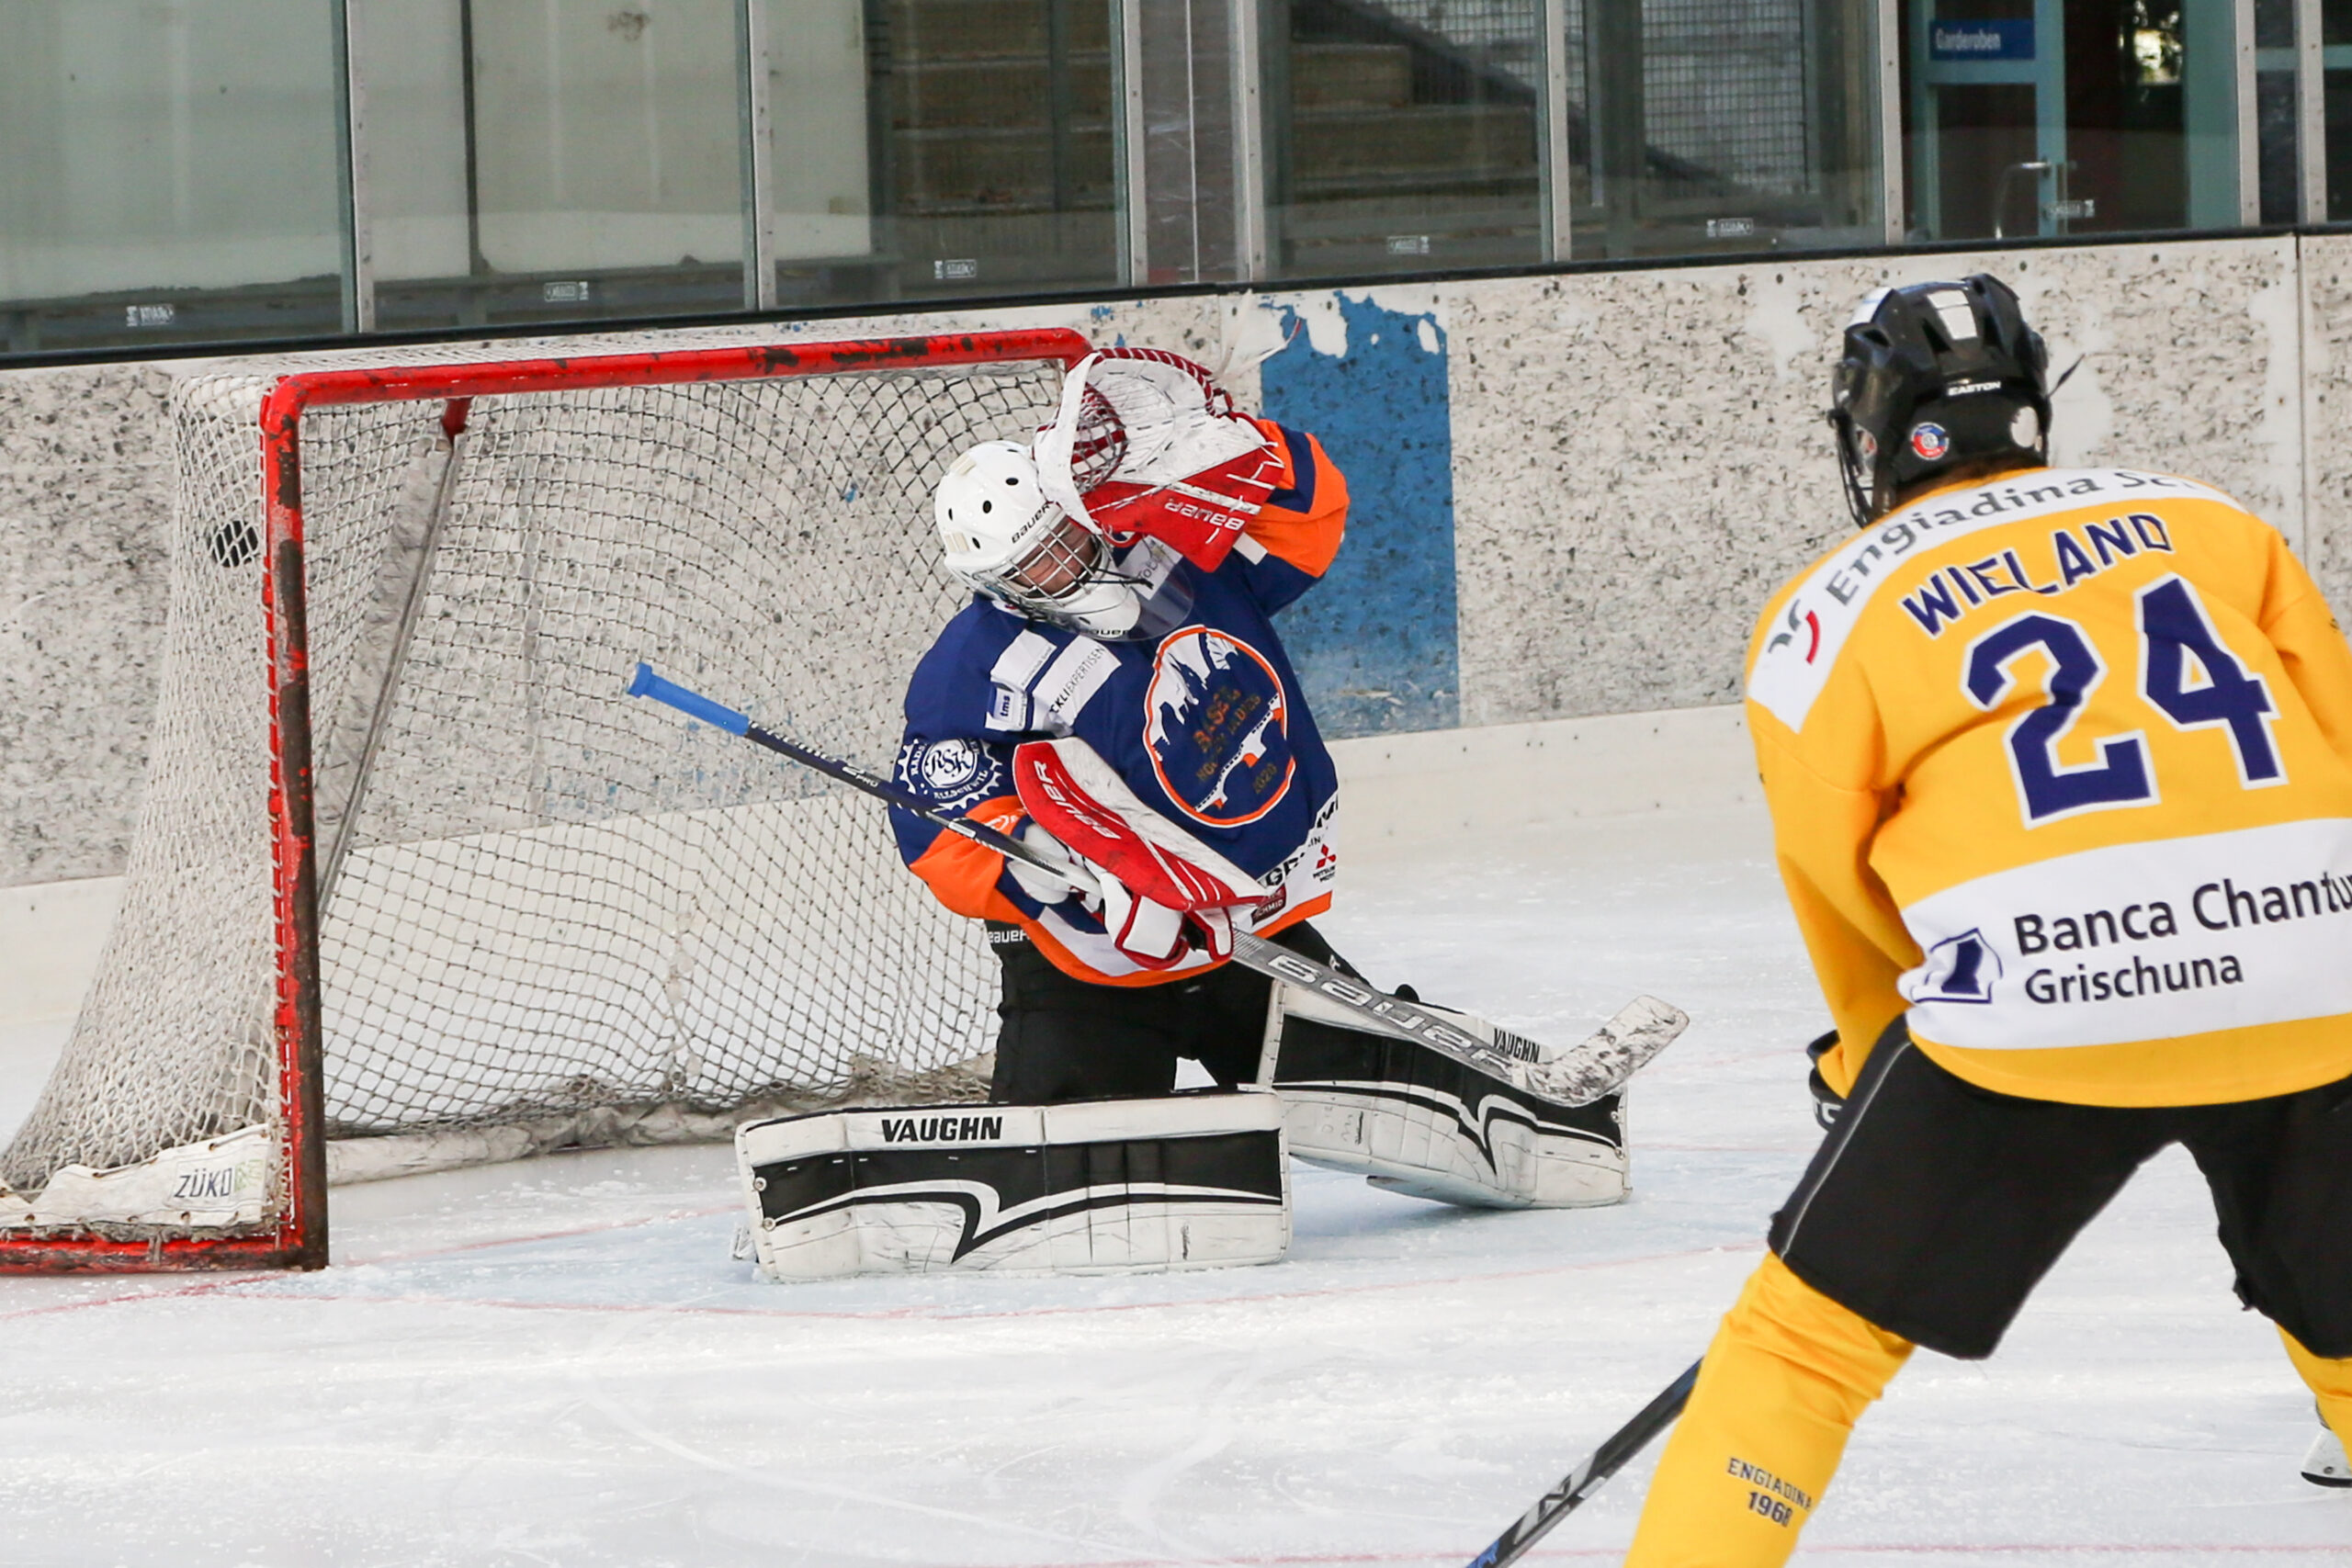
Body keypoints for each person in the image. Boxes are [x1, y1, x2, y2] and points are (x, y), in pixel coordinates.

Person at [1621, 275, 2352, 1562]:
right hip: (2313, 964)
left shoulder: (1831, 605)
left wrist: (1865, 1063)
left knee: (1804, 1349)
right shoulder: (2214, 522)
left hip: (2040, 1007)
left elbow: (1840, 885)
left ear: (1872, 435)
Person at [887, 348, 1629, 1211]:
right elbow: (938, 821)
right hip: (1092, 966)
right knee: (1066, 1180)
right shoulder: (972, 669)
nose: (1066, 565)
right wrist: (1050, 873)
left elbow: (1307, 524)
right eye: (1036, 564)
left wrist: (1245, 452)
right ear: (994, 583)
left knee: (1383, 1081)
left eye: (1067, 536)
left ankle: (1500, 1115)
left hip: (1244, 929)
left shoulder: (1171, 556)